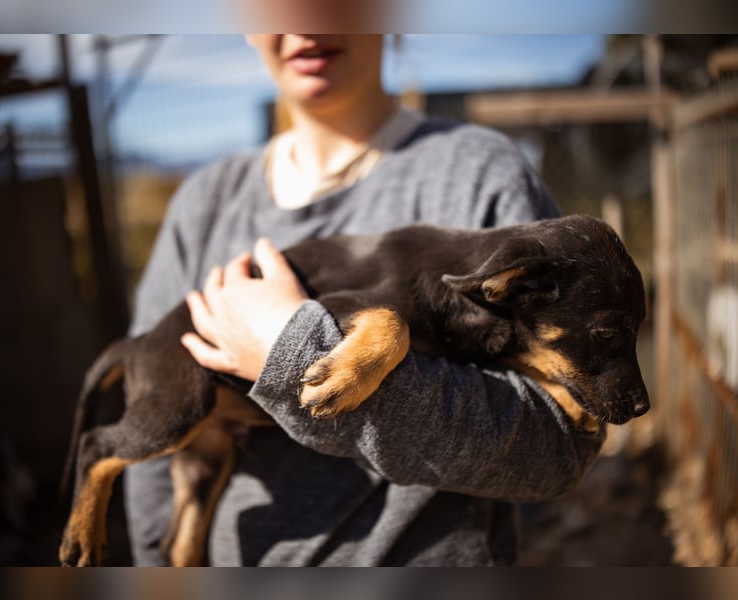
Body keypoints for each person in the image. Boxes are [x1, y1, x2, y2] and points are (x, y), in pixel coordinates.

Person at [125, 34, 604, 566]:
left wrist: (294, 352)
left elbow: (559, 446)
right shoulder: (205, 205)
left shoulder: (477, 176)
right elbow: (149, 427)